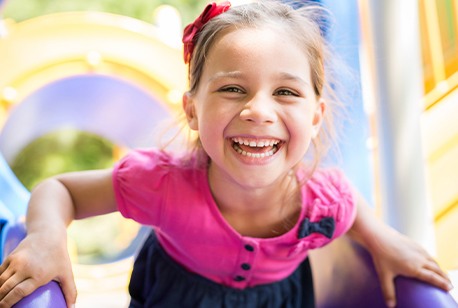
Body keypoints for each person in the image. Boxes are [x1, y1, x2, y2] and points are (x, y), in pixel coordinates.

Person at [0, 1, 453, 307]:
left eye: (285, 92)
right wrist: (45, 238)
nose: (258, 110)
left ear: (316, 115)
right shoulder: (161, 183)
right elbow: (61, 189)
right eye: (233, 89)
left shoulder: (323, 199)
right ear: (193, 110)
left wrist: (385, 240)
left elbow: (351, 208)